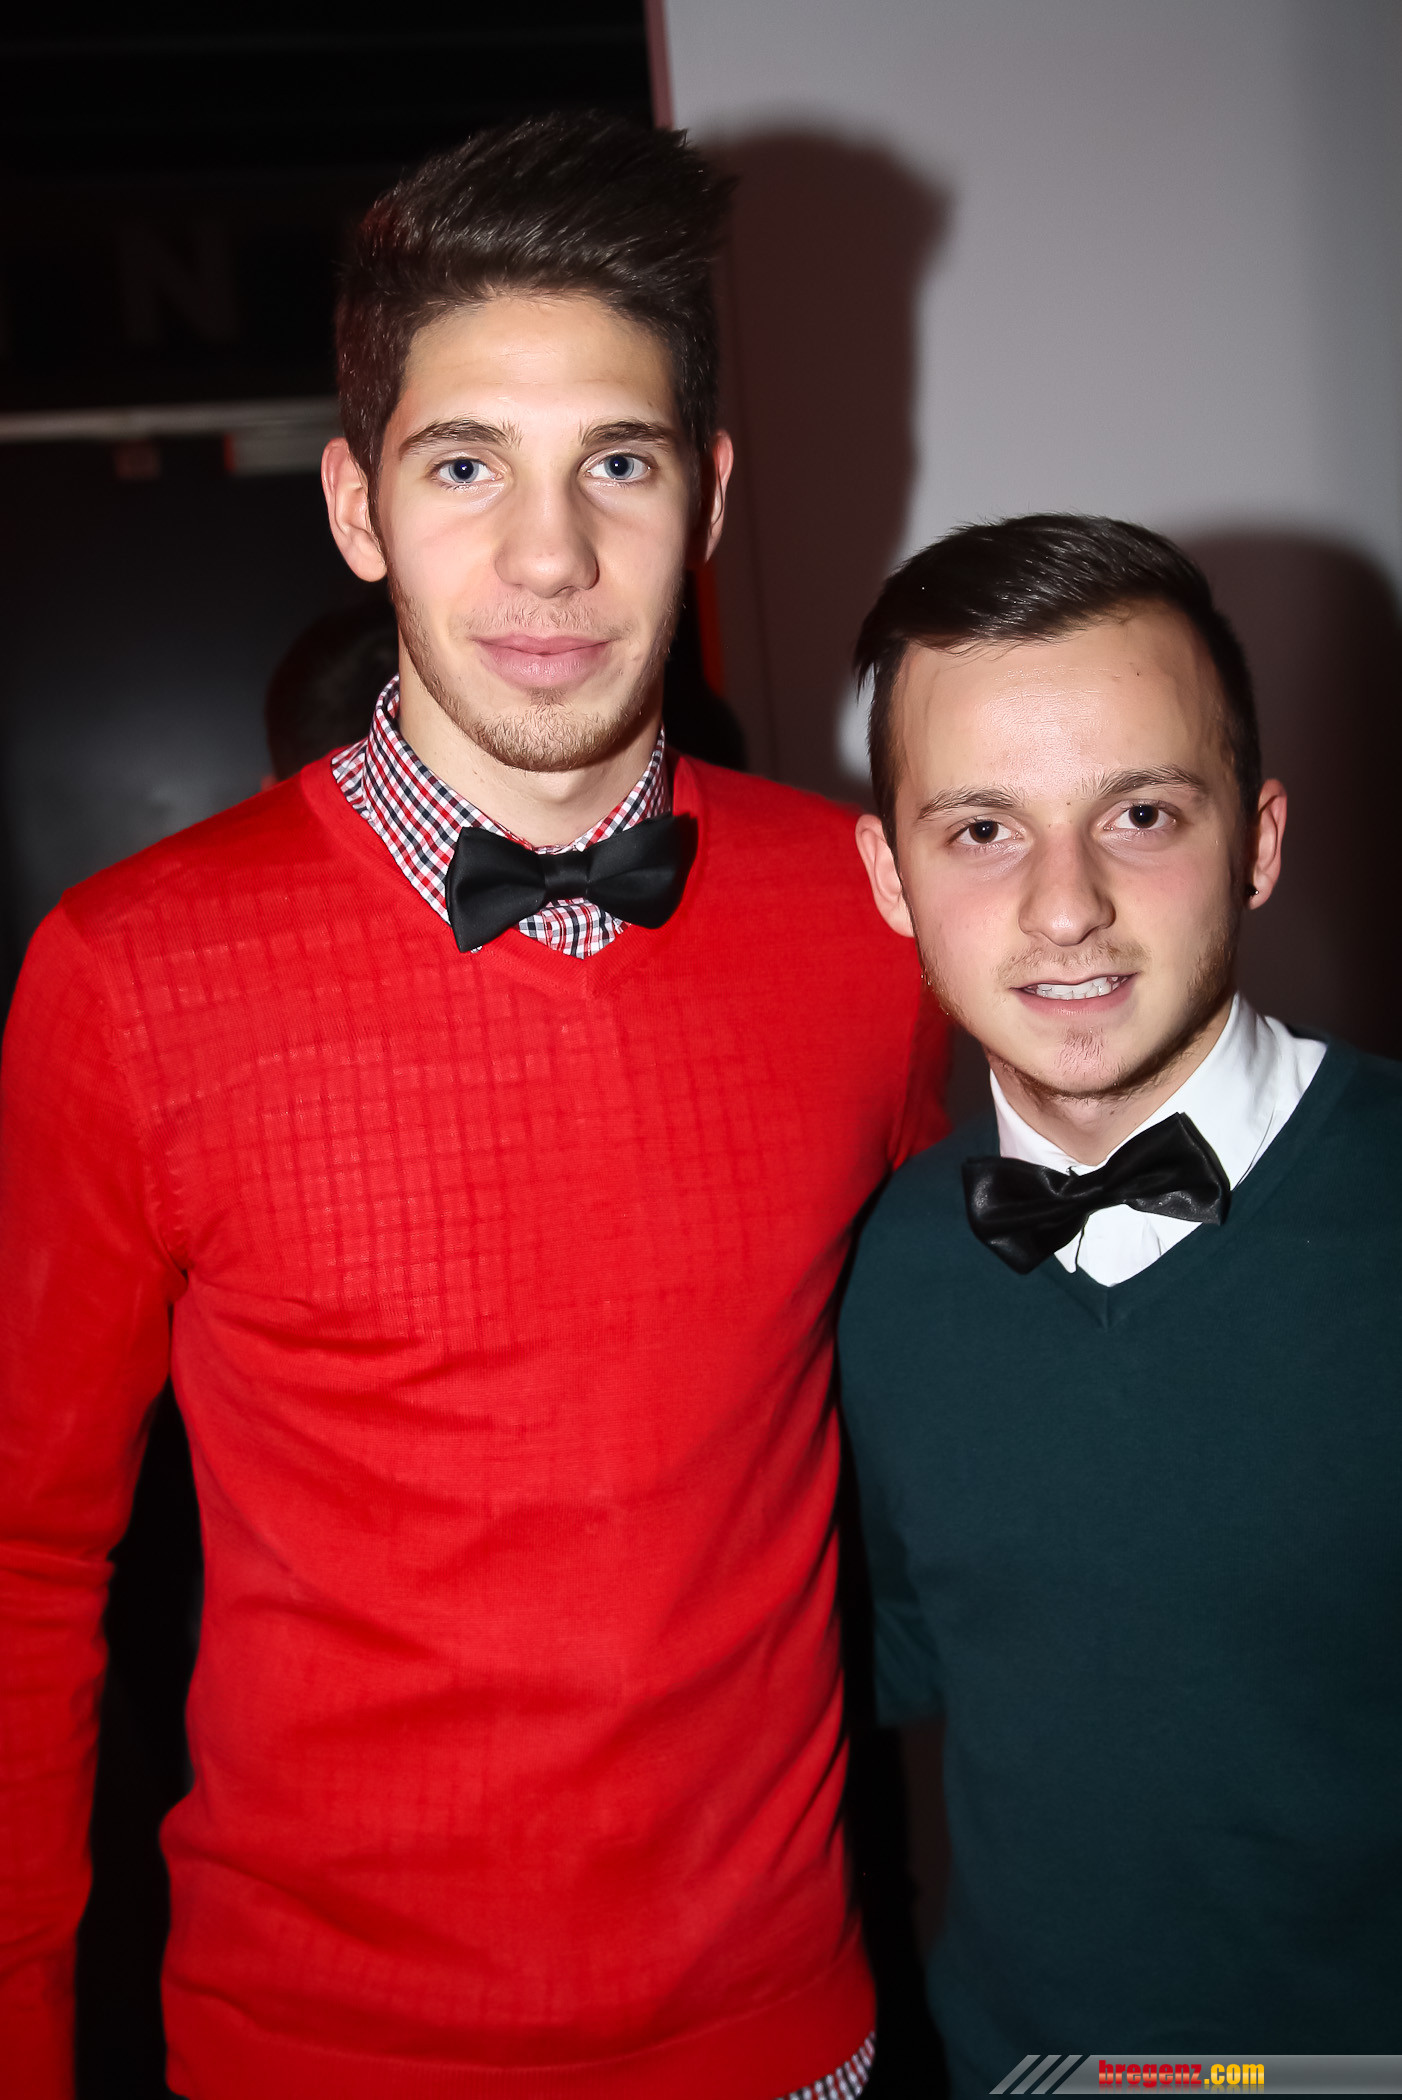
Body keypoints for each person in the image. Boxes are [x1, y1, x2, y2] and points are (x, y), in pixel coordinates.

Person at [0, 114, 948, 2100]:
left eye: (616, 461)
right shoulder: (126, 975)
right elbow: (23, 1563)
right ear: (355, 507)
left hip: (788, 2039)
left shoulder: (878, 922)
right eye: (463, 465)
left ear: (707, 495)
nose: (546, 557)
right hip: (313, 2057)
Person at [839, 514, 1402, 2095]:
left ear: (1257, 840)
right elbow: (883, 1658)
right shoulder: (887, 1269)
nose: (1063, 905)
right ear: (889, 876)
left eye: (1139, 814)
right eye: (980, 830)